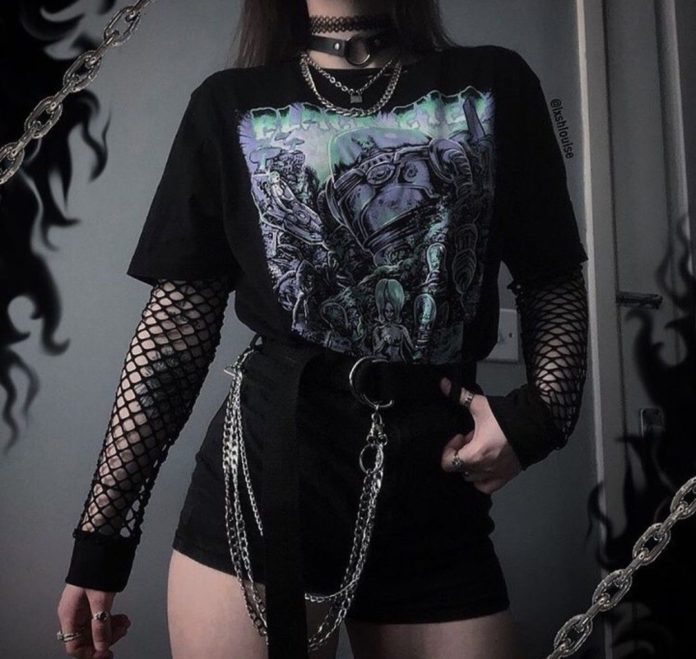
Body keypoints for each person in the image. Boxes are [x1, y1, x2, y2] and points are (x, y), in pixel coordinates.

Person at [56, 0, 589, 657]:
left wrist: (540, 418)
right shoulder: (228, 102)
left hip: (434, 490)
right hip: (264, 483)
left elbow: (551, 275)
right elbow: (174, 334)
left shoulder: (494, 82)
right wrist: (102, 538)